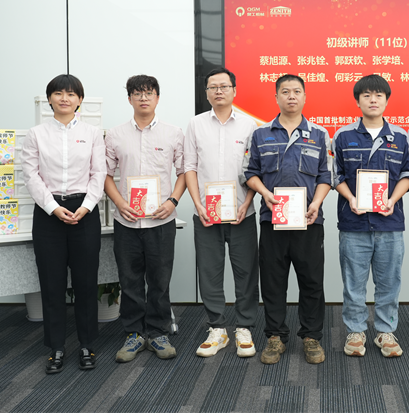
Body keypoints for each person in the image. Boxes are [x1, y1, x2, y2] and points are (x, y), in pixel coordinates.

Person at [243, 74, 331, 365]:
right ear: (276, 97)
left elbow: (326, 175)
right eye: (285, 91)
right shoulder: (260, 134)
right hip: (273, 220)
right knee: (273, 281)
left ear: (305, 97)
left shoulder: (319, 134)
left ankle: (311, 337)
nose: (291, 96)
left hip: (309, 221)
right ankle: (275, 336)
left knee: (311, 281)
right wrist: (265, 193)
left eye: (296, 91)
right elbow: (250, 173)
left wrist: (316, 203)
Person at [21, 74, 105, 374]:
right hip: (48, 214)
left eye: (71, 94)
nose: (64, 98)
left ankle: (86, 345)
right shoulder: (36, 134)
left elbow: (99, 173)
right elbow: (31, 175)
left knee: (86, 282)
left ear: (80, 100)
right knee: (52, 283)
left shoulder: (92, 133)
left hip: (85, 212)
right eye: (58, 93)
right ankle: (56, 347)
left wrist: (86, 206)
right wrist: (54, 208)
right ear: (50, 99)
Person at [331, 75, 409, 358]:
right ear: (358, 101)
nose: (373, 100)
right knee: (353, 282)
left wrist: (392, 200)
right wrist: (351, 198)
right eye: (366, 95)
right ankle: (355, 331)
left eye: (378, 95)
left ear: (387, 100)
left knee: (389, 282)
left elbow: (408, 175)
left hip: (390, 223)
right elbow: (336, 175)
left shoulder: (401, 137)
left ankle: (385, 331)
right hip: (353, 223)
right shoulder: (343, 136)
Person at [104, 75, 186, 362]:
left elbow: (183, 173)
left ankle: (158, 332)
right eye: (137, 93)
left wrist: (172, 201)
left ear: (157, 98)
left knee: (160, 280)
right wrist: (120, 203)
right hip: (126, 221)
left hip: (161, 221)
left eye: (149, 93)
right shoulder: (115, 135)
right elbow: (105, 176)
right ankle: (134, 334)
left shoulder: (173, 133)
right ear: (129, 99)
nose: (143, 98)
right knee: (130, 280)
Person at [184, 67, 259, 358]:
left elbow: (255, 170)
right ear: (206, 93)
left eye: (224, 86)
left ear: (234, 91)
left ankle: (244, 327)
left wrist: (246, 203)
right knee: (209, 271)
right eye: (213, 87)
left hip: (242, 213)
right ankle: (217, 328)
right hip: (206, 214)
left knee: (246, 272)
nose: (218, 91)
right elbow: (190, 167)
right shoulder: (196, 124)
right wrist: (198, 204)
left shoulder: (250, 125)